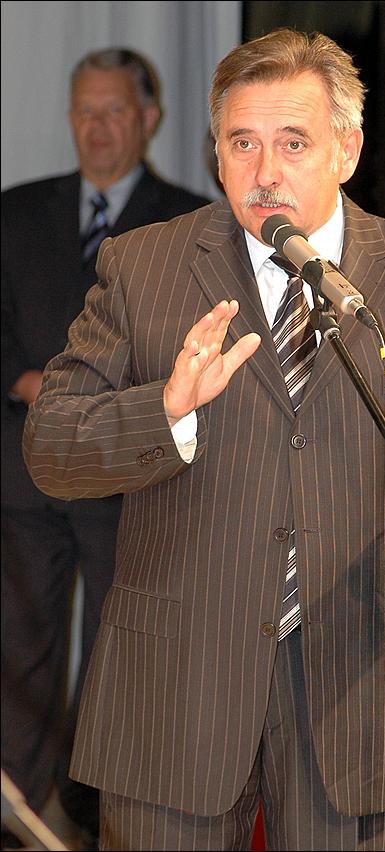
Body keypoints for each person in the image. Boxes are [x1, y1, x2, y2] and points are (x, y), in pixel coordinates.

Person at [22, 28, 385, 852]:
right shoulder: (143, 267)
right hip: (176, 694)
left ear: (347, 150)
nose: (265, 171)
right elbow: (51, 444)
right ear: (217, 155)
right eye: (243, 143)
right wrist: (166, 410)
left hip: (359, 690)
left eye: (292, 142)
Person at [1, 47, 209, 849]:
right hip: (24, 476)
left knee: (118, 664)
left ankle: (95, 824)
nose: (96, 127)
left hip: (130, 482)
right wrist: (29, 383)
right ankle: (19, 827)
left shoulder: (189, 224)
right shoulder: (16, 212)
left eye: (113, 110)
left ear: (149, 119)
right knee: (18, 655)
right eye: (84, 110)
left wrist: (121, 411)